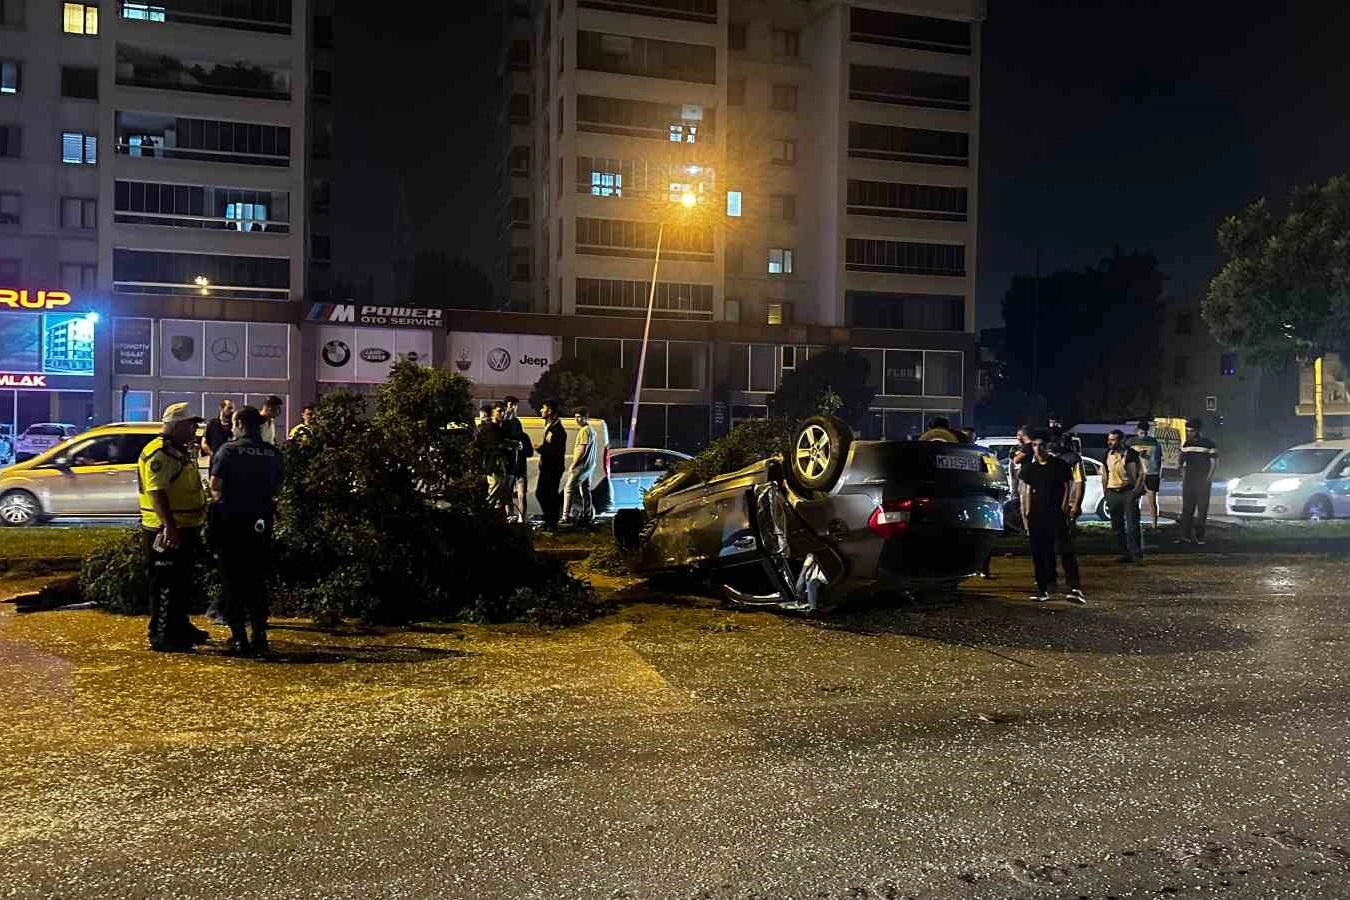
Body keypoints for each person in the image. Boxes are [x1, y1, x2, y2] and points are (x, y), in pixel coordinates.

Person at [210, 405, 284, 656]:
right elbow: (277, 488)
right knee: (257, 579)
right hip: (261, 523)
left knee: (233, 579)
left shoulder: (229, 451)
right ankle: (260, 636)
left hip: (232, 522)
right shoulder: (272, 453)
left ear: (240, 422)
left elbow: (215, 486)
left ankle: (239, 637)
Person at [138, 402, 211, 652]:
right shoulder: (160, 452)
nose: (195, 429)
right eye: (192, 425)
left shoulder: (178, 450)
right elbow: (156, 492)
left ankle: (179, 625)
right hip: (166, 531)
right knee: (165, 585)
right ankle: (162, 635)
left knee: (181, 583)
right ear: (178, 425)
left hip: (185, 527)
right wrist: (169, 526)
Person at [1018, 429, 1085, 604]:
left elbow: (1067, 485)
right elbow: (1024, 492)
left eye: (1041, 445)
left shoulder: (1058, 465)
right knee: (1040, 552)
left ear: (1047, 447)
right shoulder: (1029, 469)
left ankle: (1074, 587)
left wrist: (1065, 507)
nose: (1038, 449)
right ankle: (1044, 587)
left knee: (1065, 550)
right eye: (1034, 445)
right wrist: (1026, 515)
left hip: (1055, 513)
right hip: (1036, 515)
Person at [1103, 429, 1146, 563]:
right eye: (1109, 439)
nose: (1109, 442)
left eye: (1113, 439)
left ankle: (1136, 554)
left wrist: (1135, 491)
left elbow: (1141, 473)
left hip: (1128, 492)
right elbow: (1105, 474)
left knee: (1133, 525)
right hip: (1112, 492)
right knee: (1117, 526)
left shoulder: (1131, 454)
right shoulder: (1107, 454)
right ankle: (1125, 553)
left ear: (1121, 440)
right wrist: (1105, 492)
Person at [1178, 417, 1219, 545]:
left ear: (1197, 430)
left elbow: (1214, 462)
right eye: (1188, 431)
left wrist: (1209, 478)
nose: (1189, 433)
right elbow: (1182, 462)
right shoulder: (1186, 444)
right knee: (1187, 509)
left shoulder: (1209, 444)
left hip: (1202, 480)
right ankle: (1186, 536)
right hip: (1189, 480)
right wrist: (1183, 475)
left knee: (1202, 510)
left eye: (1191, 431)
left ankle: (1200, 537)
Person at [500, 396, 533, 522]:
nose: (513, 408)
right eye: (510, 405)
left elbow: (529, 452)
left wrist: (521, 448)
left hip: (518, 468)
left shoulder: (523, 436)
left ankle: (519, 518)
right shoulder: (503, 425)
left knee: (520, 494)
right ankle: (512, 517)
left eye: (515, 405)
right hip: (510, 467)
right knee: (510, 495)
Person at [535, 399, 566, 532]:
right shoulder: (550, 426)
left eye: (543, 408)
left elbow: (554, 450)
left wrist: (540, 449)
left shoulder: (557, 430)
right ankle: (549, 522)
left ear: (550, 411)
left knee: (545, 494)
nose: (541, 410)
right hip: (548, 467)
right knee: (545, 494)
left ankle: (551, 524)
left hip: (552, 468)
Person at [562, 407, 597, 525]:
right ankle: (588, 515)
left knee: (568, 489)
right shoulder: (592, 430)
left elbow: (582, 449)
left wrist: (574, 464)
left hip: (581, 466)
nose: (577, 419)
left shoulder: (584, 431)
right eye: (576, 417)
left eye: (580, 417)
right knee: (585, 491)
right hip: (589, 466)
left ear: (586, 418)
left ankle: (565, 516)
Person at [1127, 419, 1164, 530]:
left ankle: (1141, 524)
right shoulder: (1155, 442)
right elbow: (1159, 460)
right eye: (1141, 432)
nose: (1142, 434)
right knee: (1149, 501)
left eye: (1143, 432)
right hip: (1150, 474)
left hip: (1142, 474)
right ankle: (1152, 525)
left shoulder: (1131, 442)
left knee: (1140, 500)